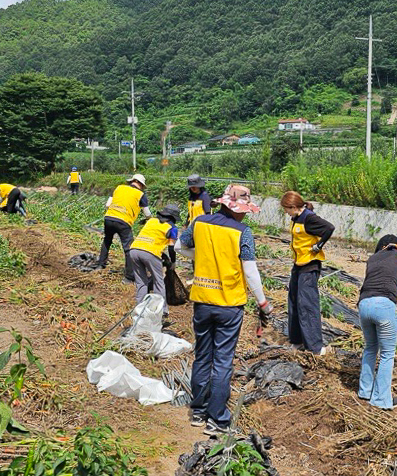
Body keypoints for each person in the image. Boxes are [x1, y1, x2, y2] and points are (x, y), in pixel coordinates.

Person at [176, 185, 273, 434]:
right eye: (244, 210)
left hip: (203, 300)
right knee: (222, 361)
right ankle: (217, 418)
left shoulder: (199, 222)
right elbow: (250, 271)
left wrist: (202, 258)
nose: (244, 215)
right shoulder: (242, 232)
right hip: (229, 305)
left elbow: (179, 247)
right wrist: (262, 302)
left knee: (203, 355)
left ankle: (198, 410)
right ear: (235, 208)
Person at [358, 234, 397, 409]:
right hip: (384, 306)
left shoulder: (373, 258)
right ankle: (380, 400)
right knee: (387, 354)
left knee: (370, 348)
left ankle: (365, 390)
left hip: (364, 304)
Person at [281, 191, 335, 355]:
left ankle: (316, 347)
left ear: (293, 206)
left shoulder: (309, 218)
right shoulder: (296, 217)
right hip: (298, 263)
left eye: (286, 209)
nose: (285, 212)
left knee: (307, 305)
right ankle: (297, 341)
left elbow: (329, 228)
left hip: (310, 265)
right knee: (294, 302)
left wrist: (319, 245)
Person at [97, 173, 152, 282]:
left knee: (107, 241)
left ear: (132, 181)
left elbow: (108, 205)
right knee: (128, 248)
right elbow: (147, 214)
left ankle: (100, 265)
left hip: (109, 218)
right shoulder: (140, 194)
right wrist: (149, 219)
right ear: (141, 184)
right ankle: (129, 276)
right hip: (123, 222)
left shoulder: (118, 188)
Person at [129, 204, 180, 312]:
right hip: (150, 253)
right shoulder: (172, 228)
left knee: (141, 282)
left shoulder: (151, 221)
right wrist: (173, 262)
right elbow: (171, 247)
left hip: (134, 250)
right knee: (158, 282)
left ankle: (140, 309)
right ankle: (161, 310)